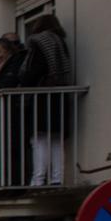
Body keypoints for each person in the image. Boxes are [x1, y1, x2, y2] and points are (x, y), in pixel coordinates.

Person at [23, 15, 74, 186]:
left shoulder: (38, 42)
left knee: (39, 138)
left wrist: (23, 79)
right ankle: (57, 178)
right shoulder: (60, 42)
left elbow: (32, 70)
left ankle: (38, 179)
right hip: (60, 96)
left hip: (42, 97)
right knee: (56, 139)